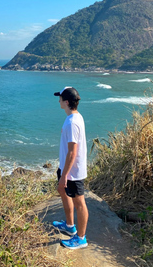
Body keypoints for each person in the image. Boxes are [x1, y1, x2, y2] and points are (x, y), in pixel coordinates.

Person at [52, 86, 89, 250]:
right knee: (63, 191)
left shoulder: (72, 123)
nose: (58, 100)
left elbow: (72, 153)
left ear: (66, 102)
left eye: (60, 98)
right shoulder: (74, 117)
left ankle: (80, 238)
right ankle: (69, 225)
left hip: (73, 172)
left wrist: (64, 175)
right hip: (67, 168)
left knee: (79, 202)